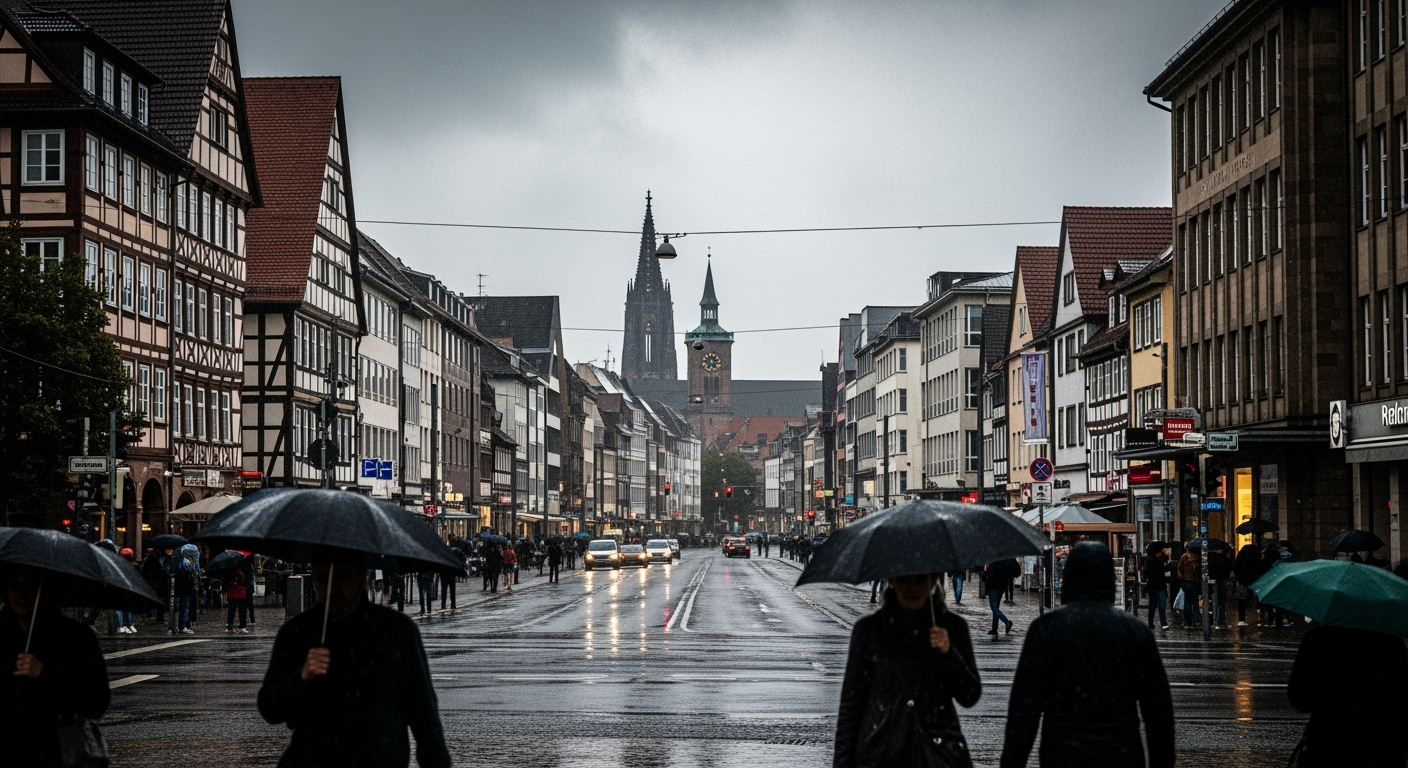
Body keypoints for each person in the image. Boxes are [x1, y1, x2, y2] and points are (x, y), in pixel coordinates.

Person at [257, 560, 452, 768]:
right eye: (322, 579)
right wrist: (300, 678)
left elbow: (425, 718)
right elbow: (270, 708)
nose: (332, 588)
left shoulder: (395, 632)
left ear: (362, 578)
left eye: (341, 577)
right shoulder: (298, 633)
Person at [1000, 542, 1174, 768]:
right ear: (1110, 579)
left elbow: (1024, 712)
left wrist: (1012, 762)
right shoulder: (1134, 631)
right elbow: (1158, 713)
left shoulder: (1046, 629)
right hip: (1121, 753)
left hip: (1062, 754)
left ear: (1069, 577)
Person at [833, 574, 981, 767]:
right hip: (880, 753)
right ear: (892, 581)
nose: (912, 588)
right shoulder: (870, 630)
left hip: (937, 754)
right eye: (904, 580)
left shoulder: (951, 627)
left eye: (920, 580)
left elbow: (969, 695)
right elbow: (850, 708)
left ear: (934, 580)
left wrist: (949, 654)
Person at [0, 568, 112, 768]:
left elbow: (97, 702)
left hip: (57, 753)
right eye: (14, 584)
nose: (21, 593)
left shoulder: (76, 638)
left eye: (31, 585)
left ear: (47, 589)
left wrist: (45, 673)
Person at [1287, 624, 1408, 767]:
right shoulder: (1392, 644)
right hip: (1380, 747)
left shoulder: (1318, 639)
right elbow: (1402, 704)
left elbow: (1300, 699)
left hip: (1327, 746)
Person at [984, 559, 1018, 636]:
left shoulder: (994, 560)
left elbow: (991, 574)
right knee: (996, 607)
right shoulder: (1006, 559)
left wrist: (986, 573)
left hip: (993, 586)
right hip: (1002, 587)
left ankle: (1007, 622)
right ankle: (994, 628)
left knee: (994, 608)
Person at [1231, 544, 1262, 627]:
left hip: (1242, 579)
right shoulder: (1256, 556)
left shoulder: (1241, 556)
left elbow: (1235, 567)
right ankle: (1260, 616)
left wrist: (1239, 576)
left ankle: (1241, 619)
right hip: (1255, 579)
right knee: (1258, 597)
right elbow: (1259, 567)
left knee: (1241, 599)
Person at [1144, 549, 1170, 630]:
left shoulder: (1148, 561)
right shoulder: (1158, 562)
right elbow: (1162, 575)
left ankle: (1151, 623)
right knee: (1161, 605)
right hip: (1159, 586)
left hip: (1152, 586)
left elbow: (1146, 574)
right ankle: (1163, 623)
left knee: (1152, 605)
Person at [1176, 546, 1201, 629]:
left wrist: (1182, 579)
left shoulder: (1185, 557)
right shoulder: (1197, 558)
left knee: (1188, 602)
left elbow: (1179, 569)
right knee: (1193, 602)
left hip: (1187, 581)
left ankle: (1188, 621)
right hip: (1193, 582)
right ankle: (1194, 621)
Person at [1207, 547, 1232, 629]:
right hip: (1222, 581)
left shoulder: (1212, 559)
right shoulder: (1225, 560)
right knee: (1221, 603)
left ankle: (1216, 621)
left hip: (1214, 581)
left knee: (1216, 602)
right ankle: (1220, 622)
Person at [226, 563, 249, 633]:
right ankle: (242, 626)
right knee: (242, 610)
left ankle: (230, 625)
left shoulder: (229, 572)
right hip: (240, 593)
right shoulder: (241, 572)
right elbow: (244, 581)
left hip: (232, 593)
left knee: (231, 610)